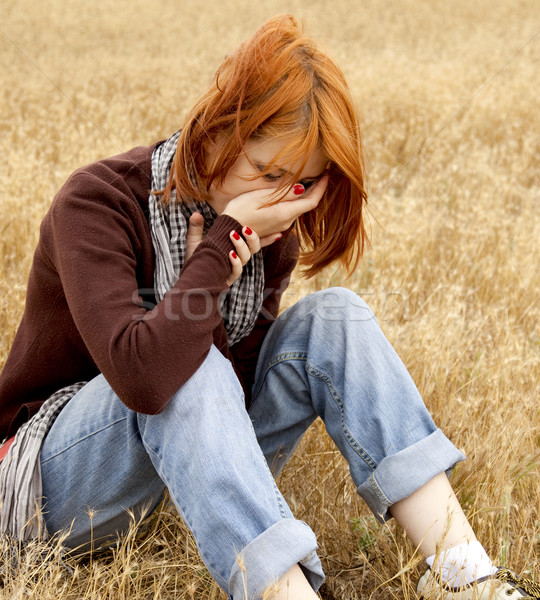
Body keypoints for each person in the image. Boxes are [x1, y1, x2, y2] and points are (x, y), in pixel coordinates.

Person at [0, 14, 537, 600]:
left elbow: (227, 392)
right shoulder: (97, 202)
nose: (282, 198)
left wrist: (219, 267)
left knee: (336, 316)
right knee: (185, 359)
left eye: (303, 183)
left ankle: (464, 576)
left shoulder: (273, 226)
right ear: (218, 133)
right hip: (45, 486)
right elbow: (144, 379)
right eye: (268, 171)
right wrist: (215, 254)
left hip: (184, 477)